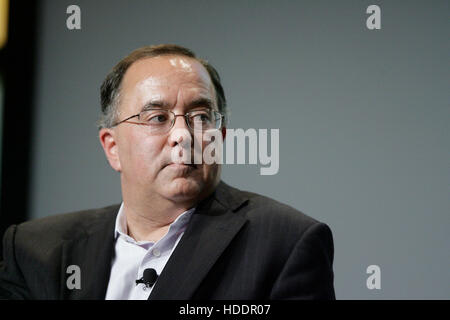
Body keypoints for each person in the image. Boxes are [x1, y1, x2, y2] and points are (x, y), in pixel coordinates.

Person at [0, 44, 335, 300]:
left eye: (201, 116)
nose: (183, 135)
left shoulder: (285, 243)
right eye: (157, 117)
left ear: (219, 137)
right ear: (112, 147)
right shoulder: (34, 249)